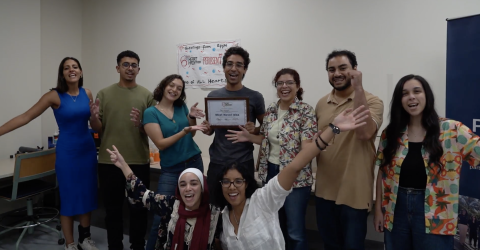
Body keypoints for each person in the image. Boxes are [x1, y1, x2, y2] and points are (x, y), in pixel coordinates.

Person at [213, 105, 370, 249]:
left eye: (238, 181)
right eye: (226, 182)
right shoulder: (225, 216)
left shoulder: (262, 200)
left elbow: (295, 166)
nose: (232, 186)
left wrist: (333, 129)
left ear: (247, 183)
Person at [0, 57, 99, 250]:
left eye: (75, 67)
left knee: (88, 195)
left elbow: (95, 126)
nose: (71, 70)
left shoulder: (87, 92)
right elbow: (25, 117)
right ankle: (69, 244)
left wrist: (95, 117)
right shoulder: (53, 96)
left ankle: (84, 239)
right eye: (66, 68)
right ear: (62, 73)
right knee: (69, 197)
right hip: (67, 153)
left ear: (80, 71)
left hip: (87, 150)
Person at [373, 74, 480, 250]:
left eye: (417, 91)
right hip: (396, 209)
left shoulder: (452, 130)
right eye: (405, 93)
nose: (411, 97)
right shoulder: (391, 133)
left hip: (437, 212)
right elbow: (383, 173)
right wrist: (378, 209)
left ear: (427, 96)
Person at [226, 68, 316, 249]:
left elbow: (307, 148)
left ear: (298, 86)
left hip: (295, 177)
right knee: (275, 225)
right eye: (280, 83)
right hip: (271, 173)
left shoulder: (305, 111)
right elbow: (268, 141)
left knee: (294, 231)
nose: (284, 86)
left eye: (289, 82)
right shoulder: (271, 110)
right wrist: (249, 137)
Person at [314, 50, 384, 249]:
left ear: (355, 69)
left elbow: (364, 134)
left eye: (342, 68)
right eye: (331, 69)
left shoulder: (372, 101)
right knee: (330, 245)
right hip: (324, 191)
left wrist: (358, 89)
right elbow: (318, 142)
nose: (336, 73)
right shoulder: (321, 103)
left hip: (355, 193)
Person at [94, 50, 156, 250]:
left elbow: (152, 130)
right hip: (108, 161)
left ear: (139, 69)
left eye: (134, 65)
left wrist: (140, 124)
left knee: (138, 208)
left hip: (137, 161)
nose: (130, 68)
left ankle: (137, 246)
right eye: (126, 64)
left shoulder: (147, 95)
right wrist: (92, 117)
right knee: (112, 210)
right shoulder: (103, 94)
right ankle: (115, 246)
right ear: (117, 68)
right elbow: (98, 129)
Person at [107, 147, 222, 250]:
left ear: (202, 187)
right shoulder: (170, 205)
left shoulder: (214, 215)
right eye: (182, 184)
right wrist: (123, 165)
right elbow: (141, 193)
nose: (188, 188)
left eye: (193, 183)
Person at [143, 74, 208, 250]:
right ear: (163, 87)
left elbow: (192, 133)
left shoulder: (181, 107)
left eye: (179, 88)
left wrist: (192, 117)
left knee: (197, 208)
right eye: (172, 86)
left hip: (194, 161)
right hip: (172, 169)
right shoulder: (151, 113)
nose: (175, 90)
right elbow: (161, 144)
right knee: (161, 214)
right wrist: (185, 130)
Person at [202, 46, 266, 200]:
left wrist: (253, 130)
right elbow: (211, 130)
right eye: (229, 64)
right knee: (215, 207)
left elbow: (266, 130)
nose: (234, 68)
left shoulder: (255, 97)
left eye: (239, 65)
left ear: (245, 70)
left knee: (243, 207)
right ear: (224, 67)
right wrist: (207, 128)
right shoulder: (214, 96)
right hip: (218, 160)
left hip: (244, 161)